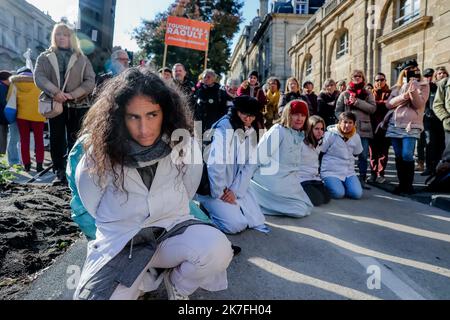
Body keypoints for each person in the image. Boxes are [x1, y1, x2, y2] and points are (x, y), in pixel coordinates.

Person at [73, 67, 233, 300]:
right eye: (133, 117)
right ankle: (141, 279)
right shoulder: (98, 150)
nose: (144, 129)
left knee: (216, 250)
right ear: (118, 116)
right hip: (122, 241)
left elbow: (189, 187)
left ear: (165, 112)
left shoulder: (183, 143)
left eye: (152, 115)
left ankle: (177, 284)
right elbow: (90, 200)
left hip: (170, 230)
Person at [196, 95, 268, 235]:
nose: (248, 119)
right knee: (235, 225)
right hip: (214, 188)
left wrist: (235, 191)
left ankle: (224, 208)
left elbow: (250, 165)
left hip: (233, 186)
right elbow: (216, 164)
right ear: (236, 111)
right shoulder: (224, 127)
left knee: (255, 218)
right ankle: (203, 211)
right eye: (244, 114)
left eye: (252, 116)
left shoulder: (251, 130)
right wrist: (221, 191)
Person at [34, 22, 95, 185]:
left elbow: (90, 81)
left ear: (71, 37)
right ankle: (59, 171)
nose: (62, 37)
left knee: (76, 140)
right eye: (58, 34)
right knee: (56, 139)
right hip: (55, 105)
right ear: (54, 36)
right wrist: (56, 92)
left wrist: (72, 94)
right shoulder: (45, 56)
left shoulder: (82, 58)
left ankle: (74, 171)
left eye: (66, 34)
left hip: (78, 105)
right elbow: (39, 77)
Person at [250, 99, 313, 216]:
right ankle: (254, 199)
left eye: (303, 115)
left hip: (288, 181)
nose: (299, 118)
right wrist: (246, 179)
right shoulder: (278, 131)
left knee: (307, 207)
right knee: (299, 210)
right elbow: (259, 156)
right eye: (295, 114)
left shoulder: (298, 133)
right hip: (271, 181)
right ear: (288, 115)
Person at [386, 59, 430, 194]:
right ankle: (401, 185)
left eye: (414, 68)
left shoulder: (423, 85)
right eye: (408, 69)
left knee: (407, 154)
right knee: (399, 156)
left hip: (412, 126)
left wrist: (413, 88)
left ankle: (408, 185)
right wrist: (405, 94)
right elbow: (389, 104)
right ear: (403, 72)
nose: (411, 71)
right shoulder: (396, 87)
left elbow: (418, 104)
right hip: (395, 124)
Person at [336, 70, 376, 189]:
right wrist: (344, 121)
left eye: (360, 76)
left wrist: (357, 102)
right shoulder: (344, 94)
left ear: (363, 78)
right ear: (351, 78)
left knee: (363, 155)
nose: (357, 78)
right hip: (346, 130)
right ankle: (344, 178)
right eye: (355, 76)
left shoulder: (368, 93)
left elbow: (372, 109)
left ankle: (362, 179)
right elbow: (338, 110)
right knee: (345, 154)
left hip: (363, 129)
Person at [7, 67, 45, 172]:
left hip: (22, 116)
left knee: (24, 141)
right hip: (38, 115)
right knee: (39, 141)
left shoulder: (15, 83)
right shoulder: (38, 83)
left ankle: (26, 165)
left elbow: (9, 99)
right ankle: (39, 165)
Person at [321, 112, 363, 200]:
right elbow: (321, 151)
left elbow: (356, 153)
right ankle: (326, 184)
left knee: (357, 194)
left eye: (350, 123)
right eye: (345, 122)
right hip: (330, 171)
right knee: (338, 194)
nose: (347, 125)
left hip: (348, 172)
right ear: (339, 122)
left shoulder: (356, 137)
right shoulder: (330, 135)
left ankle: (341, 185)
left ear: (354, 124)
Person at [299, 115, 331, 206]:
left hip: (313, 177)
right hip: (301, 178)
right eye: (316, 129)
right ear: (309, 129)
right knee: (317, 200)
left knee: (326, 198)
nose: (320, 132)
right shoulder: (301, 143)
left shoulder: (320, 143)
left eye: (321, 129)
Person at [420, 68, 445, 176]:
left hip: (441, 121)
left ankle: (438, 168)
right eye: (439, 73)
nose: (442, 75)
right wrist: (427, 112)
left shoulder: (442, 87)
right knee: (429, 143)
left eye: (444, 73)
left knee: (441, 145)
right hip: (429, 120)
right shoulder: (427, 87)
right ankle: (429, 168)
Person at [368, 73, 391, 184]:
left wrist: (378, 104)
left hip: (385, 127)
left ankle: (381, 174)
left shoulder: (390, 93)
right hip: (372, 127)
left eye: (382, 79)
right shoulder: (370, 94)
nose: (379, 82)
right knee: (373, 153)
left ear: (385, 80)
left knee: (383, 153)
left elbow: (390, 106)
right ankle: (373, 173)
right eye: (377, 80)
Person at [193, 69, 229, 133]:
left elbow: (224, 110)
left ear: (213, 79)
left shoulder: (220, 92)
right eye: (204, 77)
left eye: (208, 77)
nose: (206, 79)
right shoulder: (199, 90)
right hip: (199, 126)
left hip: (214, 126)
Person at [433, 66, 450, 178]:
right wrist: (446, 118)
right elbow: (437, 105)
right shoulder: (445, 83)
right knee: (448, 156)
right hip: (449, 125)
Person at [0, 70, 12, 155]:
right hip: (1, 117)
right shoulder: (2, 87)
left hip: (2, 117)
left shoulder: (3, 86)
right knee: (2, 138)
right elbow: (4, 101)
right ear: (5, 79)